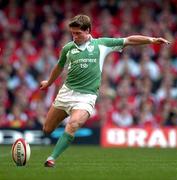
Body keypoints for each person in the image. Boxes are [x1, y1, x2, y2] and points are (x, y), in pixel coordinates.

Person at [40, 14, 170, 167]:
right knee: (47, 129)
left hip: (86, 97)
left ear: (88, 30)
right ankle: (51, 148)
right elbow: (59, 67)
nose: (74, 36)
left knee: (73, 124)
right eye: (72, 33)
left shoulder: (102, 44)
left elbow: (128, 40)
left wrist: (151, 39)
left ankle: (52, 158)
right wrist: (49, 83)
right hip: (66, 93)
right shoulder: (68, 48)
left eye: (78, 33)